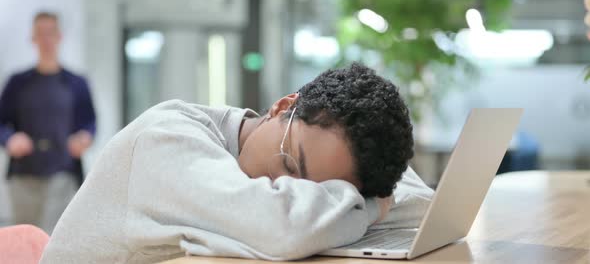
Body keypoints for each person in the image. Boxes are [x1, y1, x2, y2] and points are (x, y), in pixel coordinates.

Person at [41, 63, 433, 263]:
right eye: (290, 165)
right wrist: (364, 207)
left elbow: (419, 205)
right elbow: (283, 227)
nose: (282, 188)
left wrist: (349, 202)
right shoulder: (165, 140)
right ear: (283, 106)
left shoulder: (278, 152)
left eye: (321, 193)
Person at [0, 12, 96, 234]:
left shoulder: (76, 83)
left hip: (63, 174)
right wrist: (10, 139)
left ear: (59, 36)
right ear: (33, 38)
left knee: (55, 238)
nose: (46, 39)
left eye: (50, 33)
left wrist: (84, 137)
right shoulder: (18, 83)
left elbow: (89, 123)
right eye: (40, 34)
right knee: (26, 238)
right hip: (24, 175)